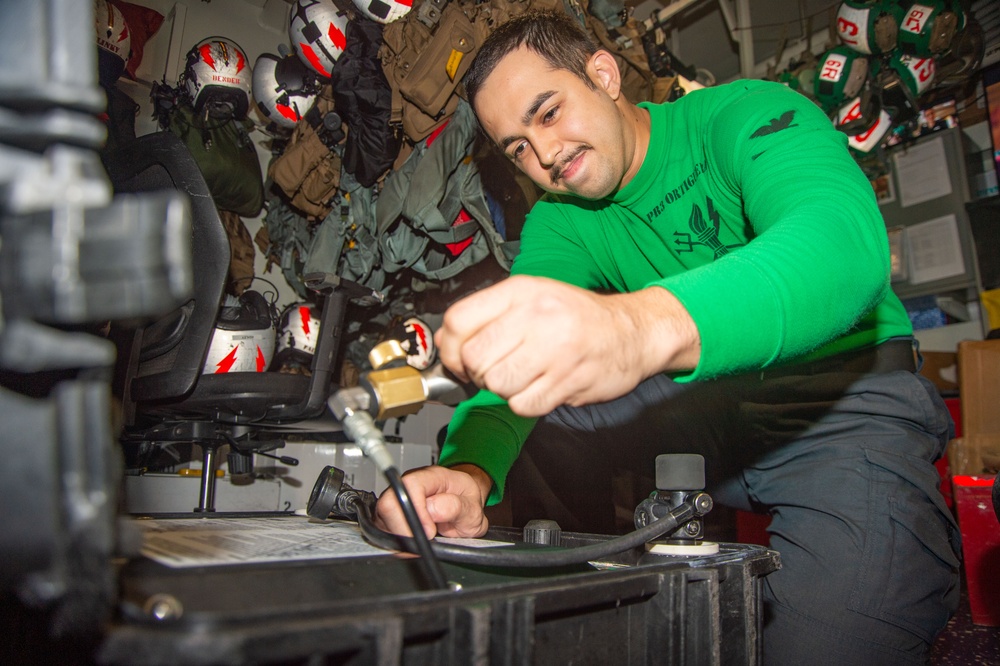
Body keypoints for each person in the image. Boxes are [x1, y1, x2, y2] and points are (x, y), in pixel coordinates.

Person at [374, 11, 960, 665]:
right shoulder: (563, 220)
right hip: (705, 412)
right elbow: (521, 357)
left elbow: (843, 245)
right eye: (516, 146)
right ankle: (560, 592)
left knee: (831, 647)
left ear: (603, 73)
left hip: (840, 403)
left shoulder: (742, 115)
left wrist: (635, 327)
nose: (543, 157)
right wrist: (470, 472)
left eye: (548, 112)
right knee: (539, 397)